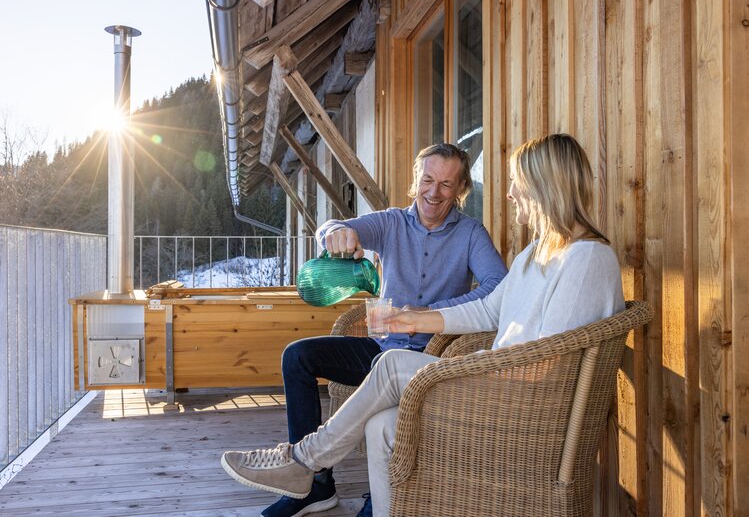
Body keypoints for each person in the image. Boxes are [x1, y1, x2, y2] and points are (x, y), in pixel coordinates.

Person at [221, 133, 626, 516]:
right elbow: (488, 311)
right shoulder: (537, 253)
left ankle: (303, 461)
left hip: (514, 407)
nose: (509, 193)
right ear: (417, 181)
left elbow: (549, 366)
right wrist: (407, 315)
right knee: (378, 418)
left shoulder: (586, 260)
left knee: (394, 364)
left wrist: (461, 363)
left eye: (517, 183)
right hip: (491, 381)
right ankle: (325, 478)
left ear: (544, 187)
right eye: (428, 180)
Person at [246, 143, 508, 517]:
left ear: (461, 188)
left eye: (447, 184)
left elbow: (499, 288)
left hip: (431, 356)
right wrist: (335, 234)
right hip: (379, 346)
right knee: (298, 357)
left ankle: (381, 494)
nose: (434, 192)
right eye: (428, 180)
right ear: (416, 180)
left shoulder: (470, 234)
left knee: (385, 405)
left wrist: (427, 312)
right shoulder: (391, 222)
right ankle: (315, 487)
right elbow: (337, 227)